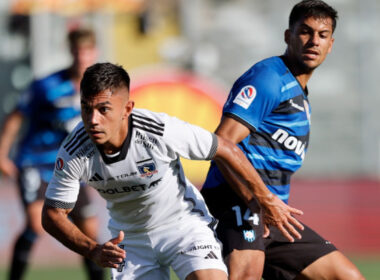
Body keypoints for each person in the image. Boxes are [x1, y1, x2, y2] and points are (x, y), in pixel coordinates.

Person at [41, 62, 304, 280]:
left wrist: (265, 199)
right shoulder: (74, 150)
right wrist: (93, 250)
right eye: (86, 109)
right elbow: (53, 214)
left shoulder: (159, 130)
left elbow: (226, 148)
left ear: (127, 109)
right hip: (130, 242)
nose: (93, 120)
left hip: (183, 226)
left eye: (103, 109)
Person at [201, 1, 365, 279]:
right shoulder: (269, 77)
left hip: (274, 214)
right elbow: (222, 143)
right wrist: (262, 199)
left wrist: (268, 205)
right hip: (236, 202)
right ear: (288, 36)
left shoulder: (299, 92)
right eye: (305, 31)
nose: (314, 41)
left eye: (322, 35)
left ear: (331, 44)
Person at [0, 28, 104, 280]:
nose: (82, 57)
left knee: (89, 230)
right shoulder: (46, 86)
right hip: (35, 163)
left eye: (87, 51)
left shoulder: (98, 89)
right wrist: (2, 153)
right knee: (37, 223)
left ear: (95, 53)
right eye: (78, 51)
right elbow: (16, 117)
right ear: (70, 52)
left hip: (70, 168)